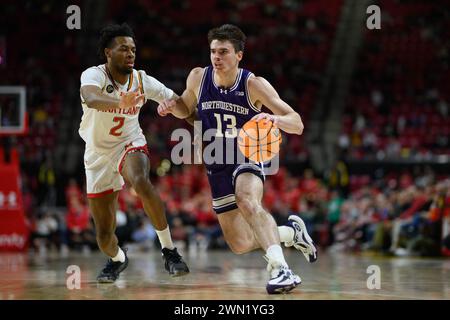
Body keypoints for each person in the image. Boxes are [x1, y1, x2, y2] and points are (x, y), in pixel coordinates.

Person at [158, 24, 317, 294]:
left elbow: (297, 123)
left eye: (223, 52)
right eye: (212, 51)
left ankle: (281, 269)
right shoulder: (198, 77)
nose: (216, 57)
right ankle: (291, 234)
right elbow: (187, 107)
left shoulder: (253, 84)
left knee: (247, 200)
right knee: (240, 243)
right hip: (216, 159)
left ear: (239, 55)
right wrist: (171, 106)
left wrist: (274, 119)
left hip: (247, 153)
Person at [79, 23, 189, 283]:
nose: (130, 53)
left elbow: (181, 105)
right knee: (104, 237)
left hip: (129, 142)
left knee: (140, 180)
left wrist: (174, 107)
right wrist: (120, 102)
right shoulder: (93, 75)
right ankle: (118, 259)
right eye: (123, 48)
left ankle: (169, 250)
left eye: (133, 49)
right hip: (96, 155)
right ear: (108, 53)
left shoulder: (142, 80)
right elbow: (91, 98)